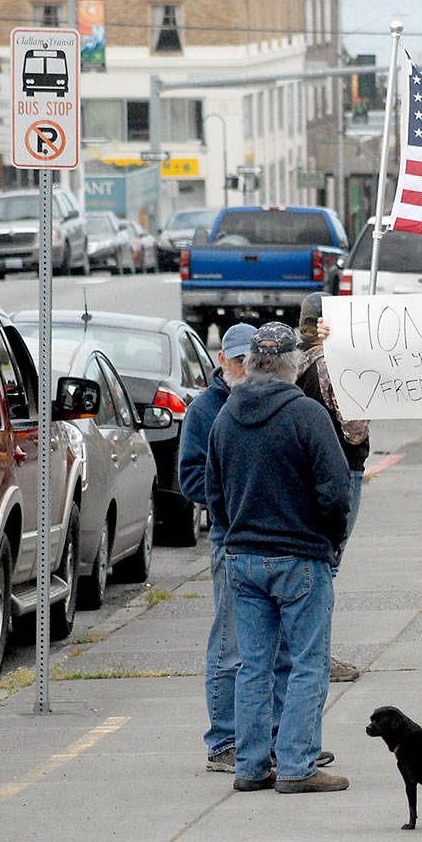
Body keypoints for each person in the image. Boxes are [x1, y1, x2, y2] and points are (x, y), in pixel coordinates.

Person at [206, 322, 353, 793]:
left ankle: (250, 766)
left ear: (248, 364)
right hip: (299, 556)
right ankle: (297, 765)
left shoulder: (227, 415)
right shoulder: (307, 414)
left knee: (253, 665)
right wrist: (330, 541)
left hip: (244, 556)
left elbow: (214, 493)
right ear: (293, 365)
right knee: (308, 663)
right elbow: (336, 491)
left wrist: (234, 534)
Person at [179, 323, 257, 773]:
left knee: (269, 649)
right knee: (230, 646)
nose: (245, 368)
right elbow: (190, 479)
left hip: (267, 538)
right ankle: (222, 742)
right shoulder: (205, 410)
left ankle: (271, 739)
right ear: (221, 362)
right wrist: (238, 495)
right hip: (229, 538)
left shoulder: (269, 400)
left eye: (252, 359)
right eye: (238, 360)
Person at [296, 291, 369, 683]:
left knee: (310, 565)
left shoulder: (293, 358)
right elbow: (355, 432)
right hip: (340, 472)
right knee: (328, 567)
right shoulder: (333, 363)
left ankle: (306, 652)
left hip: (301, 475)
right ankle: (318, 656)